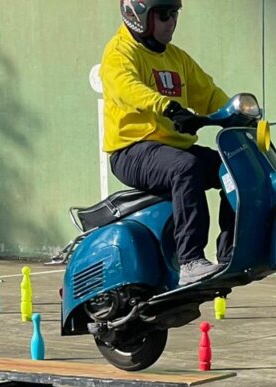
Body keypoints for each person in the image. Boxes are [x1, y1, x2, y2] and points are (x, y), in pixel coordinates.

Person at [101, 0, 236, 286]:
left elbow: (208, 94)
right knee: (185, 167)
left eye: (174, 14)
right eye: (163, 15)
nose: (171, 21)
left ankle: (231, 255)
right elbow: (128, 88)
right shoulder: (119, 53)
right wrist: (168, 107)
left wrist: (236, 113)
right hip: (132, 150)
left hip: (172, 148)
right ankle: (190, 261)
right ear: (138, 16)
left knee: (233, 167)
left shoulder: (177, 58)